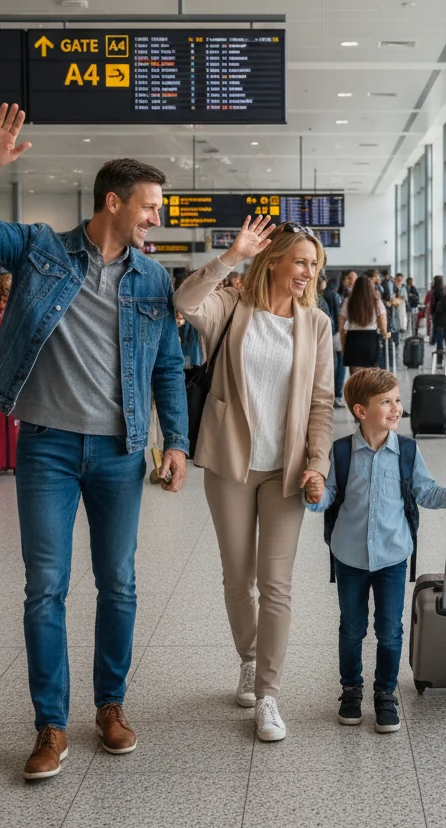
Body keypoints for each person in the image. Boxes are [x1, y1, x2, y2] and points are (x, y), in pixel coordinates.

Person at [0, 103, 190, 781]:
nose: (156, 219)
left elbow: (167, 364)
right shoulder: (41, 250)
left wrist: (176, 440)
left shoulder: (151, 278)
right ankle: (50, 725)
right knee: (45, 587)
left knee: (119, 585)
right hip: (49, 449)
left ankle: (110, 707)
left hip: (119, 451)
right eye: (149, 208)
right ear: (113, 202)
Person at [175, 216, 334, 744]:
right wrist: (230, 257)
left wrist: (318, 462)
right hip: (231, 463)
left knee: (277, 583)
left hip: (287, 470)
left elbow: (321, 402)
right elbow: (184, 302)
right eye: (302, 262)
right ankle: (248, 657)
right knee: (236, 576)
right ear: (275, 261)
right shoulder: (231, 306)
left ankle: (269, 693)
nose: (309, 273)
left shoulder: (316, 325)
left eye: (314, 265)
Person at [303, 367, 446, 732]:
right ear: (360, 411)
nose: (396, 408)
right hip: (350, 555)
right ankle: (351, 689)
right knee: (352, 629)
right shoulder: (341, 453)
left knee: (390, 629)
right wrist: (315, 494)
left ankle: (385, 692)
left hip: (392, 557)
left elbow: (426, 491)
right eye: (386, 402)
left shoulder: (407, 451)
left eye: (398, 400)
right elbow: (329, 498)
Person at [340, 272, 388, 375]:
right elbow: (383, 324)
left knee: (355, 376)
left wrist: (343, 346)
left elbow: (341, 326)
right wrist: (384, 333)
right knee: (371, 375)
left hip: (353, 339)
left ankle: (356, 391)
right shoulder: (376, 301)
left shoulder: (348, 301)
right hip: (370, 339)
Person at [323, 278, 346, 408]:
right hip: (335, 334)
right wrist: (339, 332)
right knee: (339, 363)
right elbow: (338, 317)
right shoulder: (334, 296)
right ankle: (336, 395)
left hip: (328, 335)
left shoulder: (321, 296)